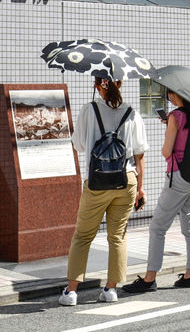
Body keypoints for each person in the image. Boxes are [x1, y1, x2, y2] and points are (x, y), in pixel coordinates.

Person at [60, 71, 147, 307]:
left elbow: (78, 145)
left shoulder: (89, 110)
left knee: (83, 236)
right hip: (126, 179)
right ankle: (111, 289)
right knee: (117, 236)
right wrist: (140, 189)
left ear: (97, 85)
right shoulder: (132, 113)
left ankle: (71, 292)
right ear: (120, 83)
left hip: (97, 181)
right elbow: (139, 155)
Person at [122, 90, 190, 293]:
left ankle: (150, 279)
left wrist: (171, 127)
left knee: (158, 227)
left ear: (178, 94)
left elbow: (166, 151)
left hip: (179, 176)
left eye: (170, 94)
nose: (169, 97)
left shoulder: (176, 116)